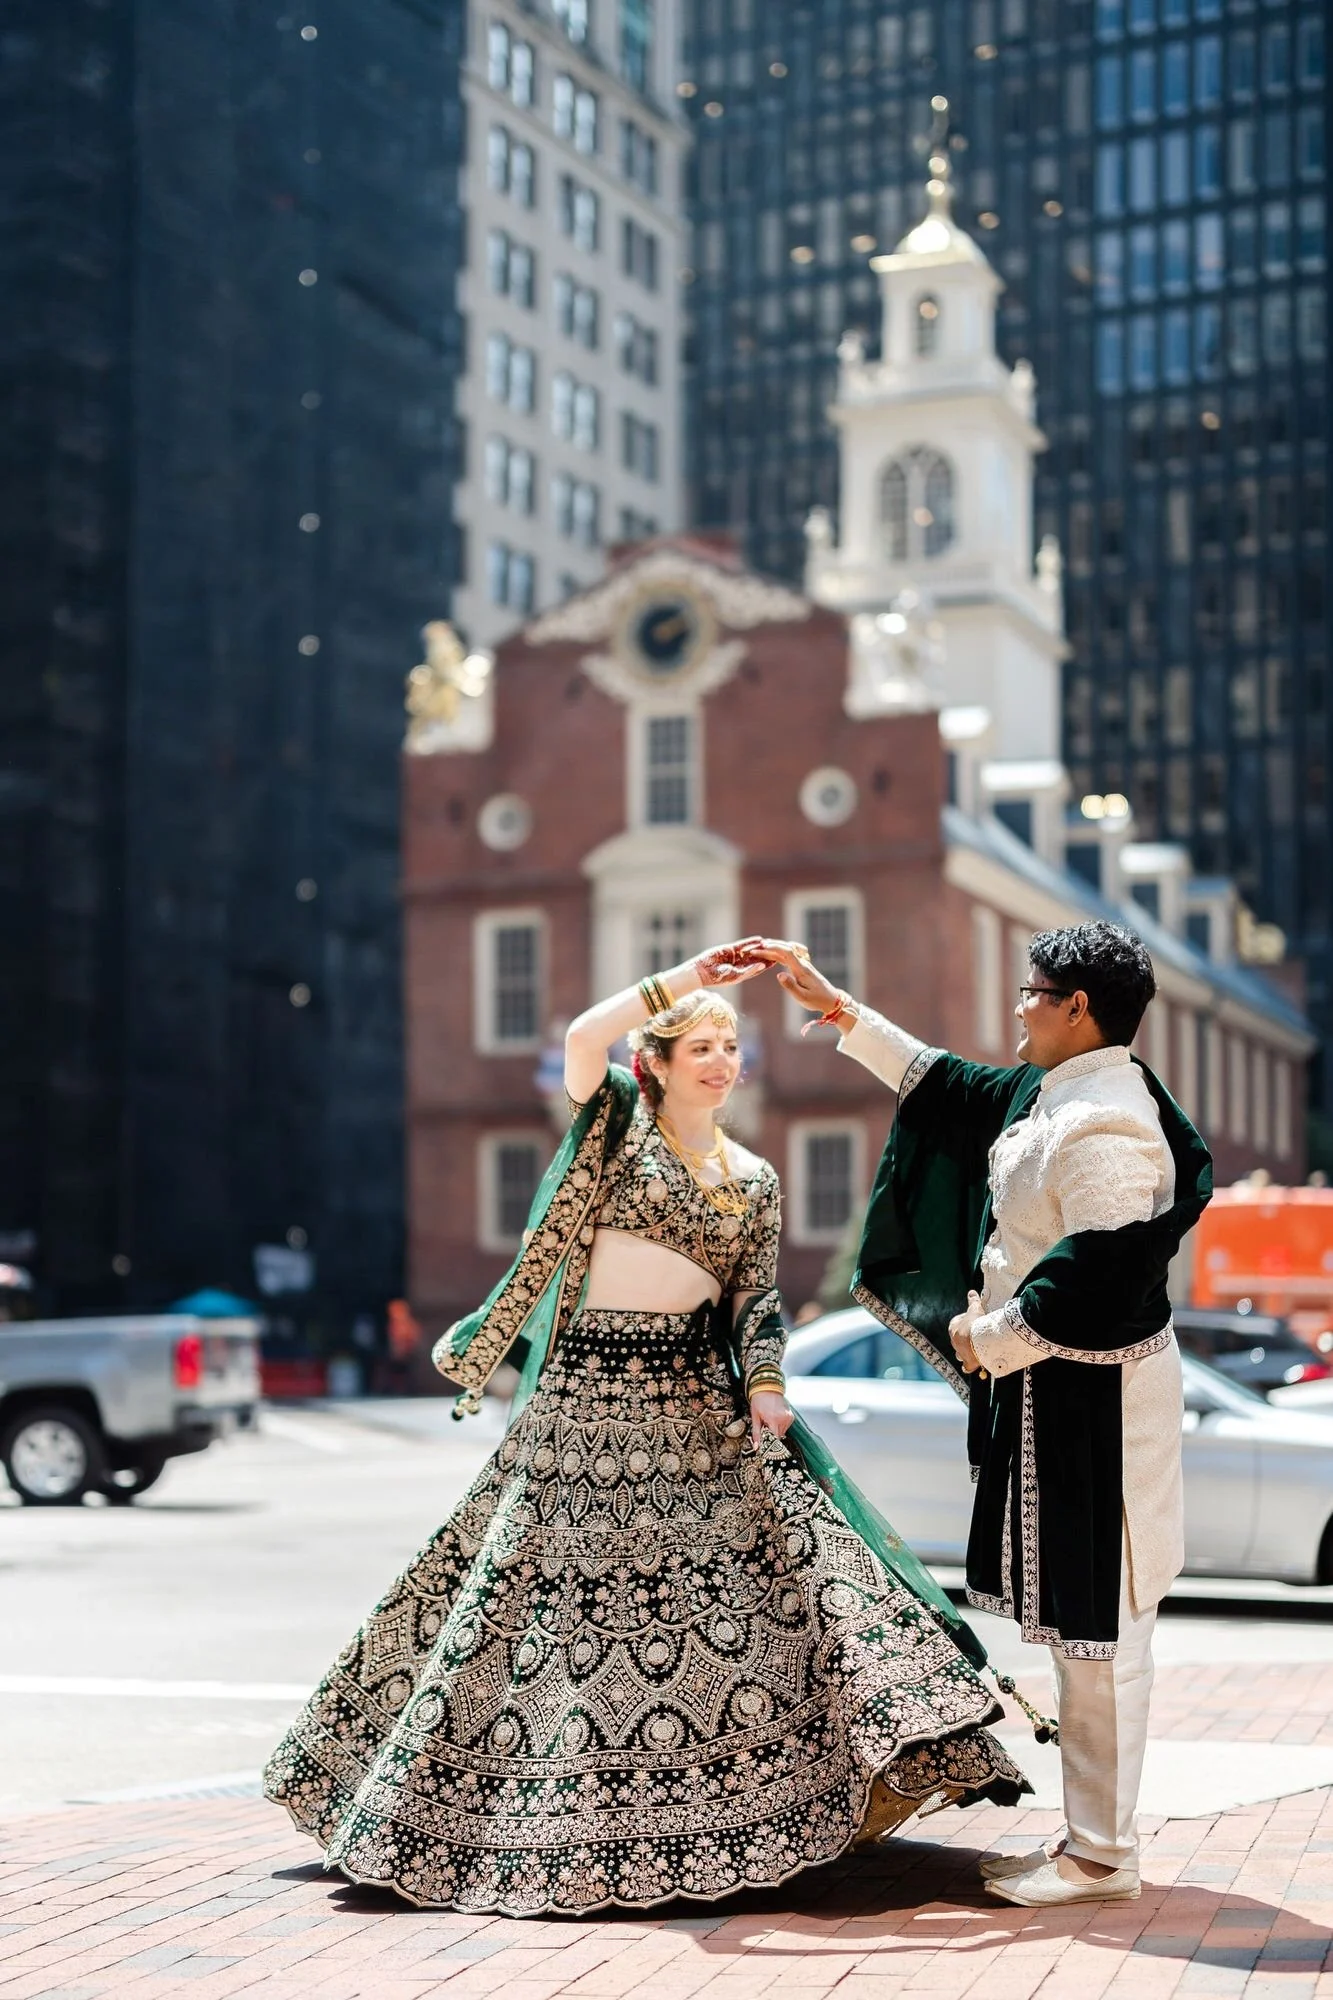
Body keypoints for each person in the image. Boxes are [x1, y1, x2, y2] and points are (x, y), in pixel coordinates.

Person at [264, 942, 1026, 1916]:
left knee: (738, 1601)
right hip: (581, 1402)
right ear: (655, 1061)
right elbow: (585, 1035)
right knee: (547, 1610)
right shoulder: (616, 1128)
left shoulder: (752, 1176)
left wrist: (763, 1384)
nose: (719, 1059)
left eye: (728, 1044)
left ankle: (728, 1812)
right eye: (698, 1044)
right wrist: (688, 972)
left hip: (691, 1403)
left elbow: (754, 1300)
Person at [764, 921, 1212, 1910]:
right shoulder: (1054, 1089)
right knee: (1075, 1635)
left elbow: (1105, 1269)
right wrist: (834, 1004)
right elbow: (943, 1081)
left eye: (1030, 991)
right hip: (1063, 1393)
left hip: (1096, 1399)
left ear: (1075, 1009)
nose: (1017, 1006)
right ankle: (1090, 1841)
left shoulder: (1108, 1122)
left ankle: (1101, 1855)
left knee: (1103, 1635)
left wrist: (991, 1333)